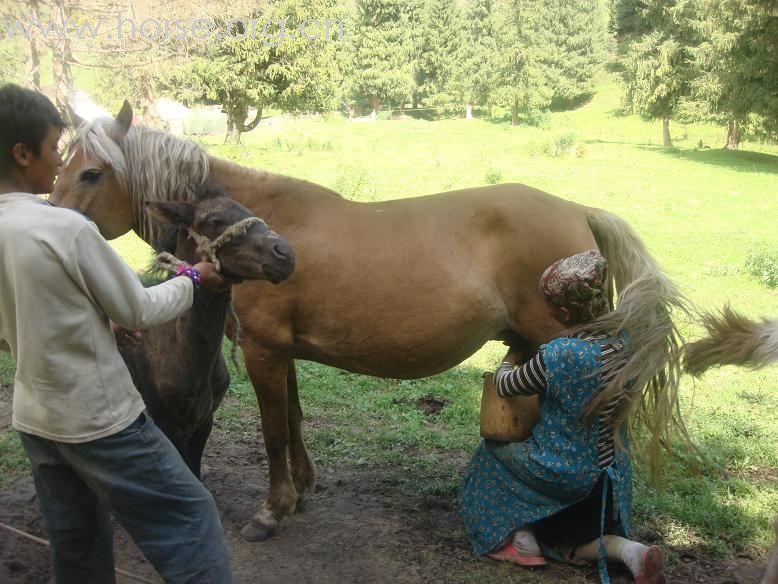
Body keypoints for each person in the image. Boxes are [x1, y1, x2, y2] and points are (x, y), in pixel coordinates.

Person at [0, 84, 233, 584]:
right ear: (23, 154)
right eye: (54, 150)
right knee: (192, 517)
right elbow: (141, 308)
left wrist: (91, 320)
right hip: (98, 419)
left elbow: (16, 318)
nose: (61, 166)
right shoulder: (67, 228)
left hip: (35, 420)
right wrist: (194, 278)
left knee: (77, 542)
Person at [458, 250, 667, 584]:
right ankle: (634, 553)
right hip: (607, 479)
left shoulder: (558, 355)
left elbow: (506, 384)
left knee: (491, 457)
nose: (548, 311)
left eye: (551, 305)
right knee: (570, 542)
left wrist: (511, 355)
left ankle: (518, 539)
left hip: (562, 474)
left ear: (566, 312)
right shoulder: (628, 341)